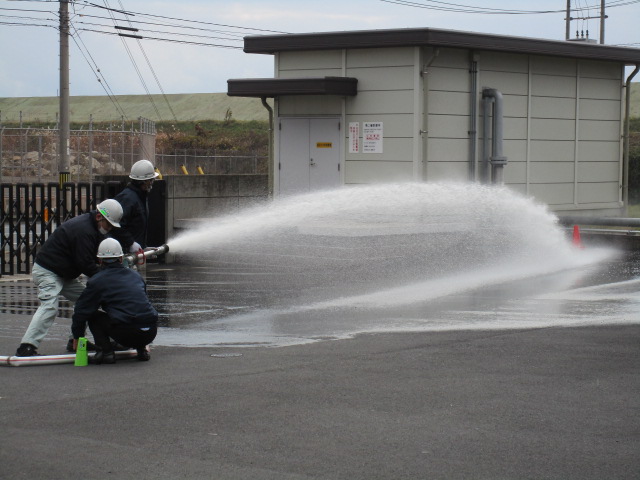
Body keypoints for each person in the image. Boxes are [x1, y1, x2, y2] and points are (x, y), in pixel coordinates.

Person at [15, 199, 123, 357]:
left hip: (63, 273)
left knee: (86, 301)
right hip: (47, 270)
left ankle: (76, 342)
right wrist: (109, 276)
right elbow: (86, 264)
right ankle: (27, 346)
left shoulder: (92, 228)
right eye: (109, 225)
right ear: (99, 217)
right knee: (49, 306)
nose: (110, 229)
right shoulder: (84, 230)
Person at [71, 238, 159, 364]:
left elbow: (81, 311)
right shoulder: (136, 276)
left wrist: (77, 337)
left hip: (127, 334)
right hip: (150, 331)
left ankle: (106, 353)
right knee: (136, 309)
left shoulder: (97, 281)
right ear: (121, 258)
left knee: (93, 315)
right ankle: (142, 351)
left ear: (100, 260)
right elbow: (141, 303)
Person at [113, 159, 159, 254]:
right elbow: (116, 225)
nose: (152, 182)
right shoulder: (128, 198)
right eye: (151, 180)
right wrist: (130, 243)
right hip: (122, 253)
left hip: (131, 252)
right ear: (144, 181)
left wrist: (143, 247)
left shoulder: (140, 197)